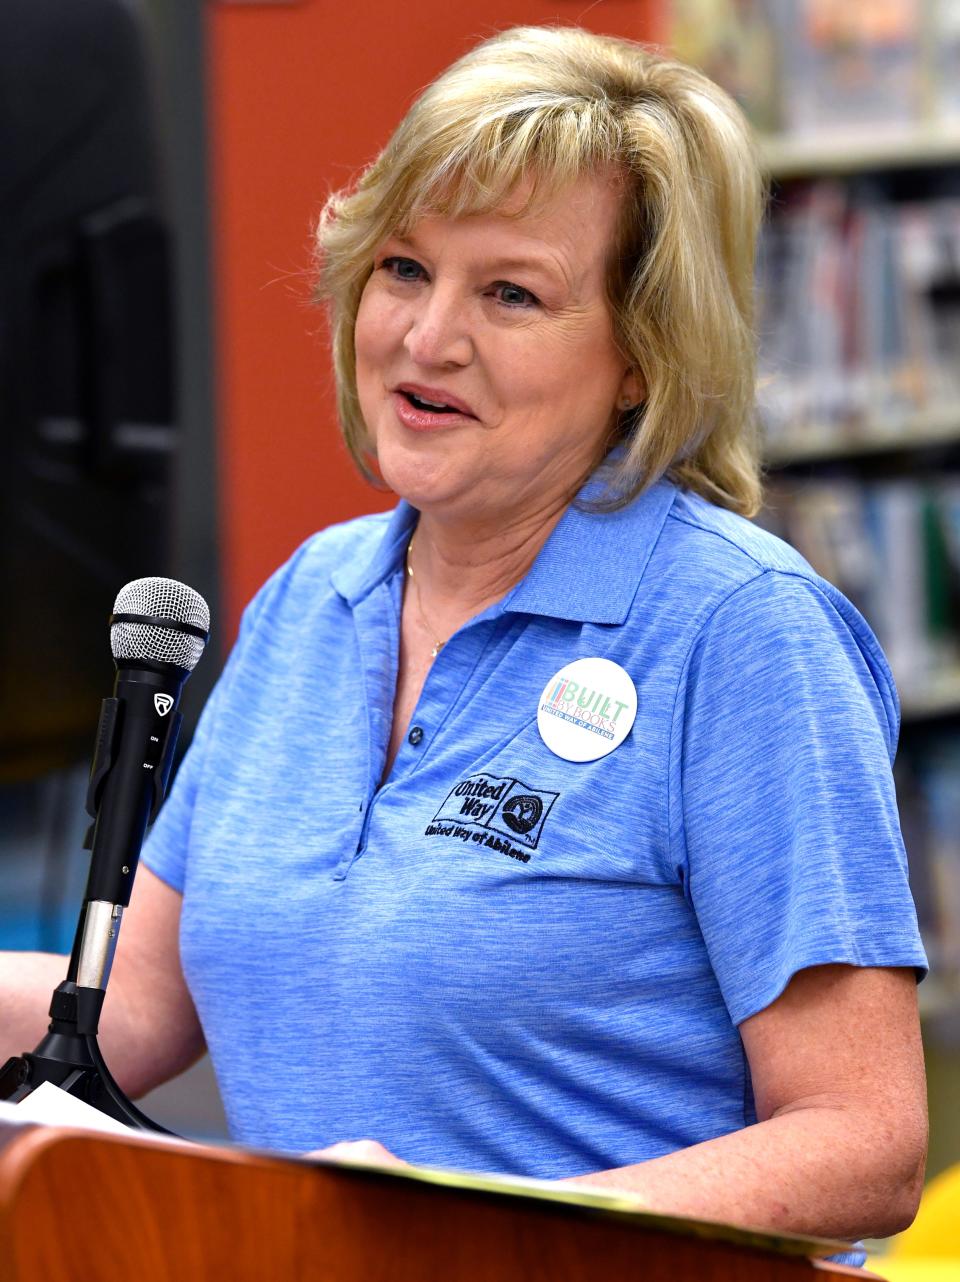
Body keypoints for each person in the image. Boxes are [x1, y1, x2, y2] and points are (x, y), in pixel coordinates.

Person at [1, 25, 927, 1260]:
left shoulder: (743, 633)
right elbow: (135, 1006)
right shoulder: (312, 600)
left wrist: (476, 1225)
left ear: (645, 354)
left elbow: (865, 1140)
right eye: (401, 269)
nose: (427, 338)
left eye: (512, 293)